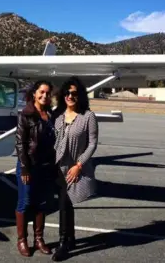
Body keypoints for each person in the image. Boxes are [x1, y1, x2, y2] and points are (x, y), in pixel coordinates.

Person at [51, 76, 99, 261]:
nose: (70, 96)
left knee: (64, 204)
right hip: (58, 168)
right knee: (66, 203)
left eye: (74, 93)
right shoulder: (58, 115)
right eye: (67, 93)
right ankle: (71, 239)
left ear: (80, 96)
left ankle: (63, 243)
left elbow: (92, 144)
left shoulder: (88, 117)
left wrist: (79, 165)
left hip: (75, 168)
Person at [15, 80, 56, 257]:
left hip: (45, 165)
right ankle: (22, 240)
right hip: (29, 165)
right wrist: (24, 168)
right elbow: (20, 143)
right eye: (41, 92)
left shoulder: (50, 115)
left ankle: (39, 239)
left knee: (42, 203)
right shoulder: (26, 114)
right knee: (25, 202)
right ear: (34, 94)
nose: (44, 95)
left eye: (48, 93)